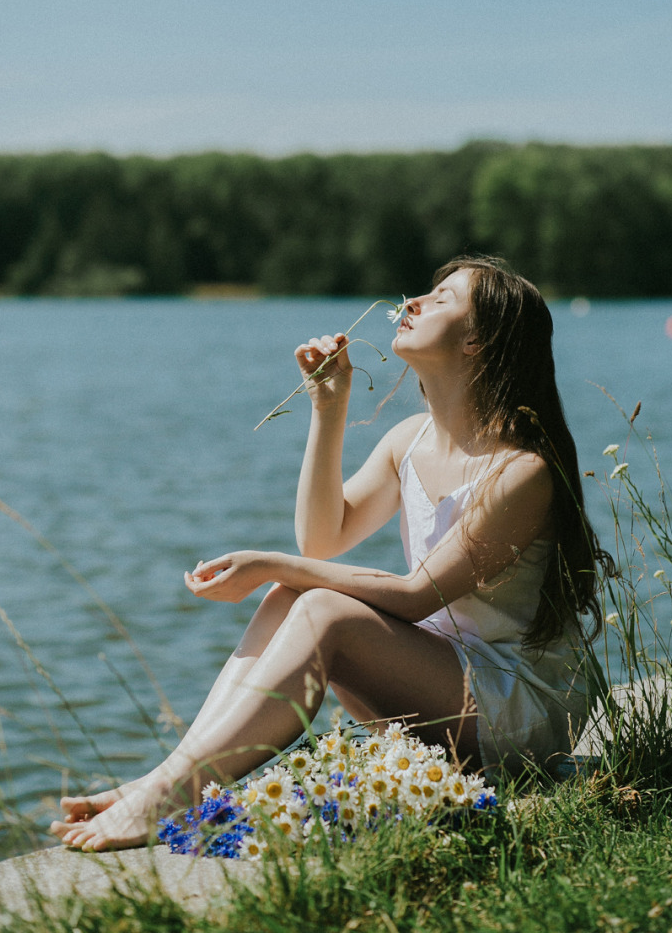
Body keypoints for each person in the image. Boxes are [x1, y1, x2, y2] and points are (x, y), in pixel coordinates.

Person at [51, 255, 610, 851]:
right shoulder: (408, 441)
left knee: (320, 608)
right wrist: (328, 406)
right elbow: (321, 539)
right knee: (290, 595)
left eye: (442, 298)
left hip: (518, 705)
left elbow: (419, 594)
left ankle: (170, 795)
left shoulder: (521, 472)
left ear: (479, 341)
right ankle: (164, 779)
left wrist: (269, 562)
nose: (414, 302)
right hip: (439, 684)